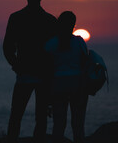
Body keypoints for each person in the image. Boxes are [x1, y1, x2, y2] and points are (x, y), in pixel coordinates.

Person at [3, 0, 57, 143]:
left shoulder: (16, 18)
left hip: (28, 74)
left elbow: (7, 47)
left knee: (17, 115)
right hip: (41, 75)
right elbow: (56, 51)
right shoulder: (50, 21)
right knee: (40, 116)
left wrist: (16, 65)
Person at [45, 11, 89, 143]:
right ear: (73, 25)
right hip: (77, 84)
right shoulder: (79, 42)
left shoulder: (51, 44)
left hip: (58, 85)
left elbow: (47, 69)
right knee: (78, 124)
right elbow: (84, 64)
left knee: (59, 124)